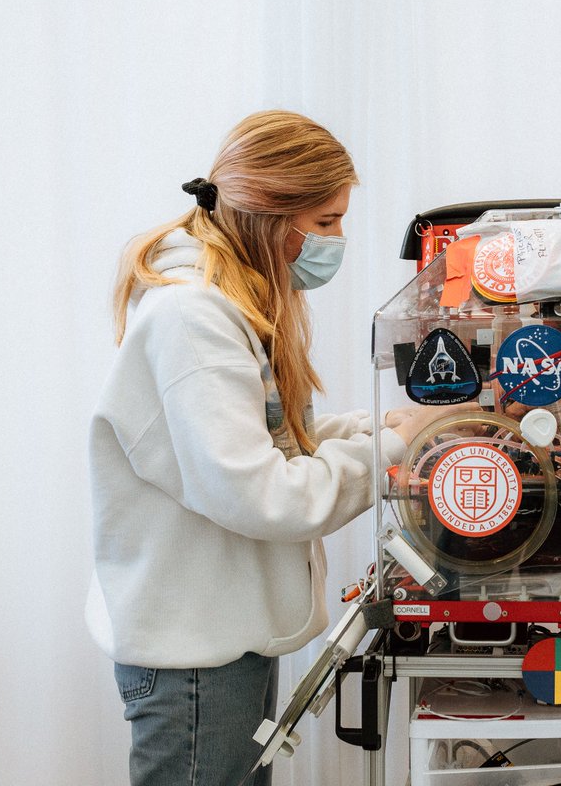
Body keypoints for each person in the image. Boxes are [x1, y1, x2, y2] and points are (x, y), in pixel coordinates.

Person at [84, 110, 439, 786]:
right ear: (274, 217)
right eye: (327, 221)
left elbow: (273, 437)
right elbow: (264, 494)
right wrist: (391, 448)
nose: (339, 238)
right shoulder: (193, 318)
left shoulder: (223, 303)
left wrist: (381, 428)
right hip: (194, 661)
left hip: (218, 642)